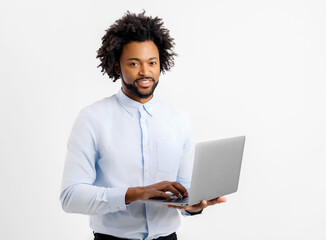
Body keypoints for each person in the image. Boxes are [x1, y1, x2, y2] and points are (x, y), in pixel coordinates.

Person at [60, 11, 226, 240]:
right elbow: (70, 196)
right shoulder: (92, 119)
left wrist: (194, 206)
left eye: (152, 63)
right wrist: (135, 193)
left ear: (161, 65)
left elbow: (185, 190)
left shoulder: (179, 119)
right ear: (118, 67)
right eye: (134, 63)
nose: (145, 72)